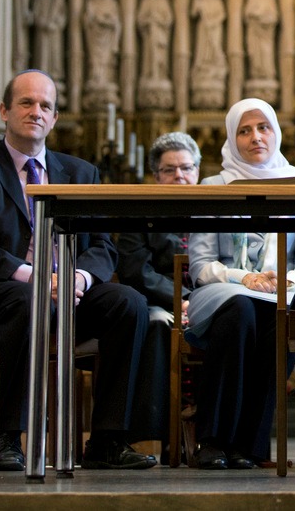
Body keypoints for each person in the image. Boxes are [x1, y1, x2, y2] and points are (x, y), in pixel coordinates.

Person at [0, 69, 155, 472]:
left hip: (65, 288)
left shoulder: (81, 172)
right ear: (4, 110)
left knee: (128, 303)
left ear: (54, 118)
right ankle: (9, 437)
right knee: (27, 301)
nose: (35, 112)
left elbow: (102, 247)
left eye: (45, 106)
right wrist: (36, 277)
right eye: (26, 103)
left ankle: (108, 439)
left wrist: (77, 278)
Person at [187, 98, 295, 468]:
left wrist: (287, 281)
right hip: (224, 293)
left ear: (277, 132)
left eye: (263, 127)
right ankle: (213, 439)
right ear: (231, 138)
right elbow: (200, 265)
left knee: (277, 320)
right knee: (240, 309)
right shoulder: (214, 186)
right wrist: (245, 278)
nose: (256, 137)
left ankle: (249, 447)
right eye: (245, 130)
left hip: (279, 293)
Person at [115, 131, 198, 448]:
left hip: (204, 299)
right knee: (155, 326)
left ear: (197, 172)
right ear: (156, 175)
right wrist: (181, 300)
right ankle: (150, 438)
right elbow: (135, 269)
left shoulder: (213, 208)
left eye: (187, 168)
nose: (180, 175)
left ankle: (216, 435)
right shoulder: (140, 209)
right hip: (157, 302)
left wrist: (198, 300)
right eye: (169, 170)